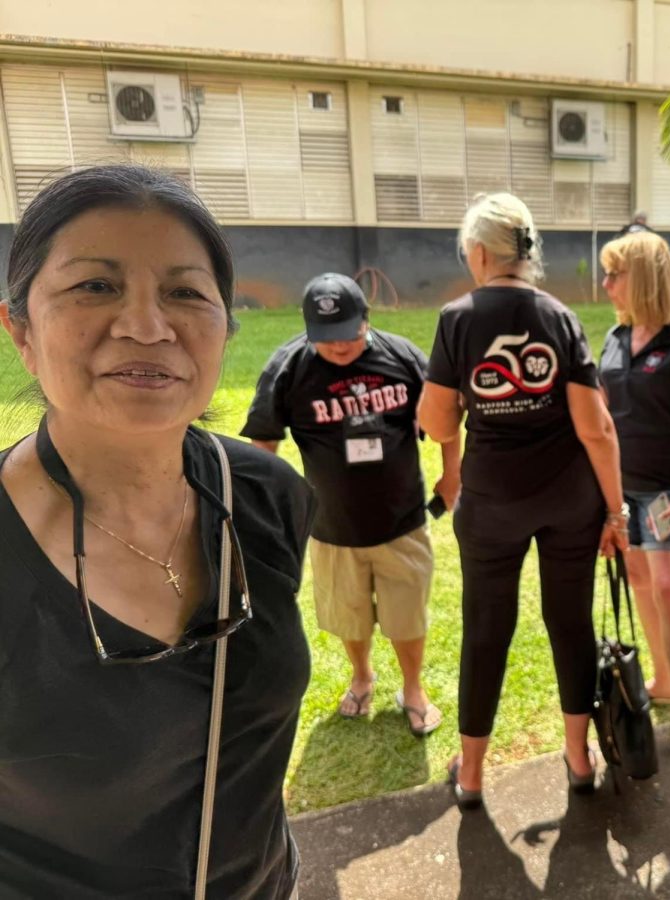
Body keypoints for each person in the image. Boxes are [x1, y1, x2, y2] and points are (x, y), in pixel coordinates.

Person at [0, 164, 315, 897]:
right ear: (20, 330)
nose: (147, 326)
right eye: (95, 286)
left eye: (184, 292)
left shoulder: (268, 498)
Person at [416, 192, 627, 809]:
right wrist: (616, 513)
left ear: (479, 253)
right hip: (570, 501)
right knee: (571, 623)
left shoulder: (458, 318)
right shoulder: (561, 317)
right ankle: (579, 757)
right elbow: (598, 428)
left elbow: (437, 422)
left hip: (493, 503)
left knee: (487, 629)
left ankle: (474, 774)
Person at [241, 272, 460, 733]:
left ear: (366, 319)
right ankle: (362, 677)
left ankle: (414, 687)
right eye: (326, 339)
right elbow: (264, 443)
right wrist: (269, 507)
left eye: (348, 335)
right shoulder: (291, 366)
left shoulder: (402, 358)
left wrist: (452, 473)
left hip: (401, 520)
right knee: (350, 614)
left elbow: (446, 421)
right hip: (331, 526)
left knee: (406, 613)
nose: (339, 348)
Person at [598, 231, 670, 774]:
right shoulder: (615, 337)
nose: (606, 284)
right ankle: (664, 683)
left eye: (615, 273)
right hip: (623, 490)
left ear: (641, 278)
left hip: (669, 490)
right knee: (641, 583)